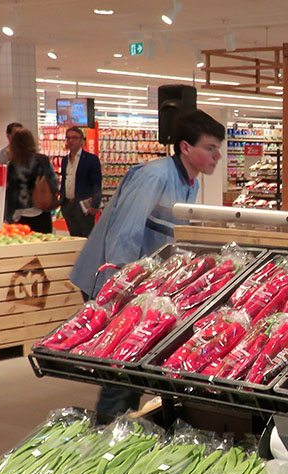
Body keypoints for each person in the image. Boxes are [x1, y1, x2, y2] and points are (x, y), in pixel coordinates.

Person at [70, 109, 225, 419]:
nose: (217, 156)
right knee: (122, 371)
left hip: (141, 287)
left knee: (136, 365)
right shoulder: (154, 176)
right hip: (113, 283)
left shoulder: (189, 183)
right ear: (185, 147)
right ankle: (106, 439)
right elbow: (123, 235)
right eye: (209, 148)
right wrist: (119, 294)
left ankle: (123, 429)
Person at [4, 128, 58, 233]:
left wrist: (9, 217)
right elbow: (54, 184)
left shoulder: (12, 165)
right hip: (41, 211)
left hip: (19, 215)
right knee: (43, 244)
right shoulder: (43, 161)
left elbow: (11, 192)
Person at [59, 126, 102, 238]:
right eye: (68, 138)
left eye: (74, 138)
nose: (70, 141)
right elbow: (64, 180)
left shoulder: (91, 159)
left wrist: (95, 205)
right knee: (73, 237)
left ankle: (87, 256)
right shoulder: (64, 160)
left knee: (86, 236)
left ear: (82, 141)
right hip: (68, 205)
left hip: (83, 206)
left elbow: (97, 183)